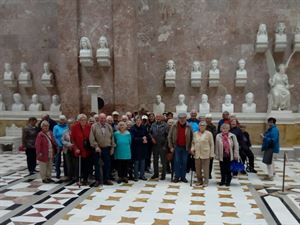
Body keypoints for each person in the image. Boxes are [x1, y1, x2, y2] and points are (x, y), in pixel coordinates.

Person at [89, 113, 115, 186]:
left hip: (107, 148)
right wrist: (96, 146)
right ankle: (98, 180)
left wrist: (112, 147)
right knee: (97, 165)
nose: (103, 120)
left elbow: (112, 137)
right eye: (101, 118)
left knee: (107, 164)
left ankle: (106, 179)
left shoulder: (109, 126)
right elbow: (92, 137)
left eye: (104, 118)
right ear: (99, 119)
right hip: (98, 149)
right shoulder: (94, 126)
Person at [168, 112, 193, 183]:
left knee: (184, 162)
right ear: (178, 119)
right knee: (177, 162)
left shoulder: (189, 126)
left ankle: (183, 177)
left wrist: (190, 148)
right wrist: (171, 146)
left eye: (183, 118)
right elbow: (169, 137)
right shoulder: (174, 126)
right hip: (177, 147)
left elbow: (192, 137)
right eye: (180, 118)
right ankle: (177, 177)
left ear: (186, 118)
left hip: (185, 147)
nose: (182, 120)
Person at [71, 114, 92, 186]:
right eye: (81, 120)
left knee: (87, 165)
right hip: (79, 150)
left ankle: (85, 179)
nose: (83, 121)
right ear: (79, 120)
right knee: (79, 166)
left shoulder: (89, 127)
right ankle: (78, 179)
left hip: (87, 150)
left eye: (84, 120)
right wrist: (76, 148)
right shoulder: (74, 127)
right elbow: (72, 139)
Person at [191, 121, 214, 187]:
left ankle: (206, 181)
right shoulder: (195, 133)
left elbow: (212, 144)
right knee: (197, 169)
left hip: (206, 153)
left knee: (206, 169)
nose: (202, 126)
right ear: (198, 126)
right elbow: (193, 143)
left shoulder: (209, 134)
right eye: (200, 125)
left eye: (203, 125)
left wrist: (211, 154)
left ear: (205, 126)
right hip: (197, 154)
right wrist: (192, 149)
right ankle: (199, 181)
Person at [150, 114, 168, 180]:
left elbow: (167, 136)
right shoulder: (153, 125)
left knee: (163, 161)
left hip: (162, 145)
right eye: (157, 117)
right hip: (155, 145)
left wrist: (165, 145)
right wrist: (152, 138)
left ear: (162, 118)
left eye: (159, 117)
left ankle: (163, 175)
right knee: (155, 161)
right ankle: (156, 174)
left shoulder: (165, 125)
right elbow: (150, 133)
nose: (158, 118)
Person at [130, 116, 149, 181]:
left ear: (141, 121)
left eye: (139, 120)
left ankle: (142, 175)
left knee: (143, 161)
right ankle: (136, 176)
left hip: (143, 147)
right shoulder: (132, 128)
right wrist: (141, 139)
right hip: (135, 147)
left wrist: (146, 138)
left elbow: (147, 135)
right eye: (137, 120)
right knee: (136, 162)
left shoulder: (144, 127)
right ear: (135, 121)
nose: (138, 121)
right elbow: (133, 138)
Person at [53, 115, 69, 179]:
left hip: (66, 145)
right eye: (61, 119)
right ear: (59, 120)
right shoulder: (56, 127)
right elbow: (54, 136)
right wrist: (59, 144)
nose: (62, 121)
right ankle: (58, 173)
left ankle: (66, 173)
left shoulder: (67, 127)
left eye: (63, 119)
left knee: (66, 160)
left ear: (65, 120)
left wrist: (65, 144)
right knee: (57, 160)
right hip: (58, 145)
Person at [205, 113, 217, 179]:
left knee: (210, 161)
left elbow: (214, 136)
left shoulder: (213, 127)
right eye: (207, 119)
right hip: (203, 145)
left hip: (210, 145)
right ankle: (204, 172)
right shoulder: (203, 126)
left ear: (211, 119)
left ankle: (209, 173)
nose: (208, 120)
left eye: (209, 119)